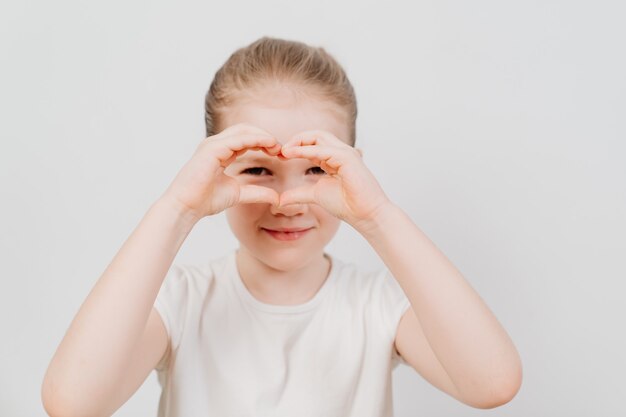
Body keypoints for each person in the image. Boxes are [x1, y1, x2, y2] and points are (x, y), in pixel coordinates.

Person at [42, 37, 522, 417]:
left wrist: (378, 215)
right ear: (213, 170)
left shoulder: (377, 306)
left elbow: (493, 384)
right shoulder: (182, 301)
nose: (288, 203)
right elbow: (73, 404)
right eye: (257, 170)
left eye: (316, 169)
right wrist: (176, 208)